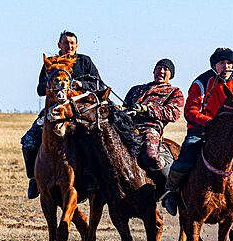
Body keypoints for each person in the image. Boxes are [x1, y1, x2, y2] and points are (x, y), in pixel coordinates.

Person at [161, 47, 233, 216]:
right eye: (222, 63)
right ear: (215, 65)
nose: (226, 66)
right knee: (186, 157)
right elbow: (190, 111)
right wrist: (212, 123)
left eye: (229, 63)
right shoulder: (201, 82)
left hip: (229, 136)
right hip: (200, 131)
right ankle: (171, 192)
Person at [20, 30, 106, 199]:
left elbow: (99, 85)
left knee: (93, 140)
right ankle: (34, 179)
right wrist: (54, 85)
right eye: (66, 43)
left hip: (79, 110)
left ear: (77, 45)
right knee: (28, 141)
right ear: (59, 45)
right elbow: (39, 89)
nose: (69, 46)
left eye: (72, 43)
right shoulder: (51, 63)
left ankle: (92, 179)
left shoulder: (85, 61)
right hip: (53, 109)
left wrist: (80, 83)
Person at [123, 59, 185, 197]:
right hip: (127, 127)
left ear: (171, 75)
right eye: (159, 68)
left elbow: (173, 113)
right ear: (153, 71)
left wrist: (145, 109)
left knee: (150, 155)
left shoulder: (175, 92)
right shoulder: (136, 89)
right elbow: (124, 106)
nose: (161, 72)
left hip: (150, 128)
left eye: (165, 69)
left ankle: (172, 189)